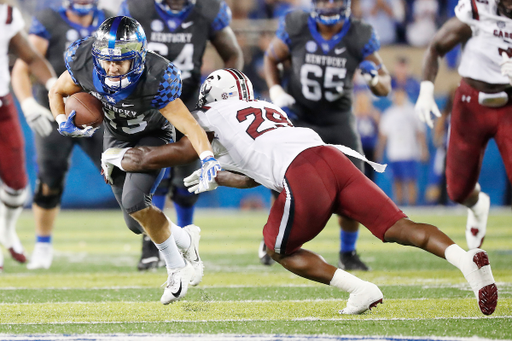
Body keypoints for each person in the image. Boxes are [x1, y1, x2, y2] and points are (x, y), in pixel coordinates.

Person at [105, 68, 498, 316]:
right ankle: (465, 261)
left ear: (212, 98)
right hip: (330, 158)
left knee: (278, 249)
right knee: (399, 226)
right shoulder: (266, 110)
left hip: (303, 174)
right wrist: (219, 177)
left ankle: (361, 289)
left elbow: (182, 148)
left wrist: (120, 156)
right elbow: (258, 173)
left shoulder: (214, 115)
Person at [48, 16, 220, 304]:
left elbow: (189, 125)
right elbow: (57, 90)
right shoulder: (85, 62)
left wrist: (207, 158)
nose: (112, 67)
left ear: (137, 58)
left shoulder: (156, 77)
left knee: (135, 201)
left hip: (153, 135)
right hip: (115, 138)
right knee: (135, 222)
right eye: (107, 61)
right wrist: (63, 120)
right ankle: (187, 240)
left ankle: (176, 269)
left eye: (121, 62)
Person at [263, 0, 392, 271]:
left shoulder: (360, 33)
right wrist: (275, 89)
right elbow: (271, 58)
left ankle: (348, 252)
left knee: (351, 189)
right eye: (323, 0)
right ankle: (274, 240)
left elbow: (385, 86)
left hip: (338, 121)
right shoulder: (296, 25)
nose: (329, 5)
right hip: (299, 116)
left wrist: (373, 81)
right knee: (280, 183)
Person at [118, 0, 243, 271]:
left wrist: (222, 91)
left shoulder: (208, 10)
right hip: (150, 102)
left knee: (187, 180)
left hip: (187, 102)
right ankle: (150, 246)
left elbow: (232, 55)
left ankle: (188, 239)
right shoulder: (139, 9)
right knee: (154, 175)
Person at [11, 0, 113, 270]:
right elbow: (24, 66)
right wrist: (27, 103)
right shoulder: (49, 19)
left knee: (122, 171)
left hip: (97, 110)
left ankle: (154, 245)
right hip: (53, 109)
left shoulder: (109, 21)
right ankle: (43, 245)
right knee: (49, 178)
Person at [415, 0, 512, 249]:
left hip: (509, 107)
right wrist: (426, 90)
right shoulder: (478, 10)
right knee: (457, 191)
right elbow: (436, 46)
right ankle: (478, 206)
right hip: (471, 106)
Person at [0, 2, 56, 272]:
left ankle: (7, 231)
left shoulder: (6, 13)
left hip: (2, 105)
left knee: (17, 183)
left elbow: (31, 58)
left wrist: (53, 86)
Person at [376, 88, 429, 206]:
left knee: (411, 181)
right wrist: (379, 152)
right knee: (397, 181)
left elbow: (420, 132)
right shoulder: (389, 113)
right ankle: (399, 205)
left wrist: (423, 149)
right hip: (395, 153)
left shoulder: (412, 111)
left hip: (410, 152)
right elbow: (383, 135)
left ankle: (412, 205)